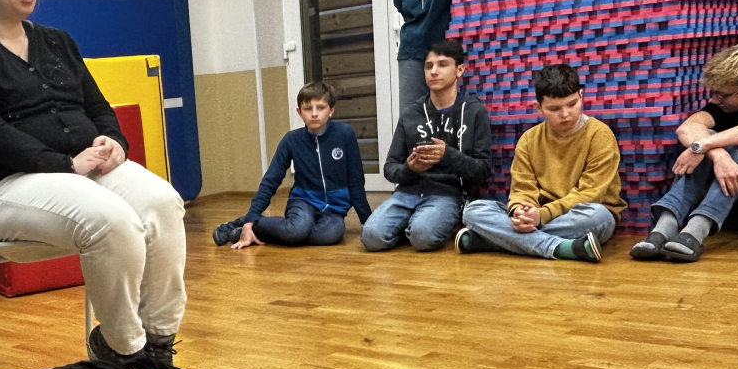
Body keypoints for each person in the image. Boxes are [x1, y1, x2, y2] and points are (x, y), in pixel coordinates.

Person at [0, 0, 185, 366]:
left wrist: (115, 141)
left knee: (163, 204)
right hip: (11, 187)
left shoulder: (58, 41)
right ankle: (124, 351)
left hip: (84, 173)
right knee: (112, 221)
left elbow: (98, 106)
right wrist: (65, 164)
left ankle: (159, 345)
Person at [631, 44, 738, 262]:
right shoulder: (723, 108)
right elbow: (686, 128)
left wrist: (703, 145)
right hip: (730, 205)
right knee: (706, 139)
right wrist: (717, 154)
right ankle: (665, 226)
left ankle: (697, 229)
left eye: (722, 94)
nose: (715, 100)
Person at [456, 64, 623, 262]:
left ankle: (495, 240)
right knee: (473, 211)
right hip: (538, 214)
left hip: (579, 214)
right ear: (539, 107)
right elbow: (522, 189)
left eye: (572, 104)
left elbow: (590, 194)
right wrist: (520, 210)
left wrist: (541, 216)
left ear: (581, 96)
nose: (565, 114)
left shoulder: (600, 134)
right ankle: (558, 247)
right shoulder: (529, 139)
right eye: (554, 108)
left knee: (598, 216)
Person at [361, 39, 492, 252]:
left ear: (459, 70)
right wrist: (409, 168)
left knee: (423, 237)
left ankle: (415, 226)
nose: (434, 71)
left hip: (448, 194)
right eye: (428, 66)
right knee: (371, 237)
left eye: (442, 64)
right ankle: (410, 225)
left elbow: (483, 171)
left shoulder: (474, 111)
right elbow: (390, 168)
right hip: (407, 191)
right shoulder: (411, 113)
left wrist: (447, 155)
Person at [210, 81, 370, 249]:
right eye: (307, 108)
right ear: (299, 112)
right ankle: (244, 222)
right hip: (303, 201)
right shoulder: (291, 140)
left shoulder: (345, 134)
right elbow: (271, 180)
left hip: (334, 209)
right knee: (297, 229)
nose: (314, 114)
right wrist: (251, 216)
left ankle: (248, 232)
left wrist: (367, 223)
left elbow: (356, 182)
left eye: (321, 107)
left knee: (330, 235)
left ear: (331, 110)